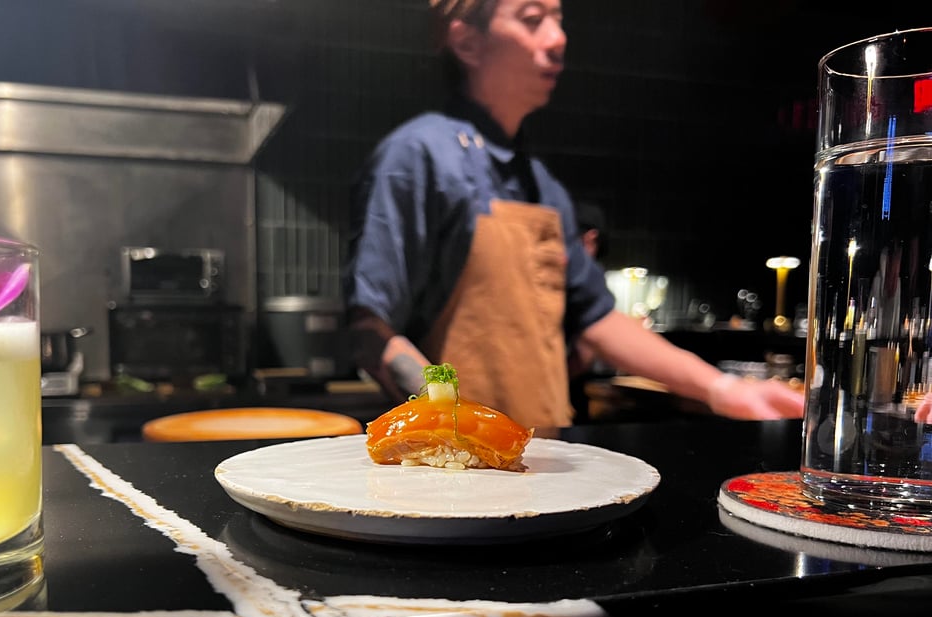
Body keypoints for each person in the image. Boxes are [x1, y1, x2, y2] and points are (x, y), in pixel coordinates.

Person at [343, 0, 804, 428]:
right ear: (468, 42)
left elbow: (598, 319)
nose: (558, 37)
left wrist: (722, 389)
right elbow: (369, 330)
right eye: (532, 19)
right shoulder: (420, 156)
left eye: (558, 19)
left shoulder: (544, 187)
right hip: (455, 467)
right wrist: (455, 425)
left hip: (545, 457)